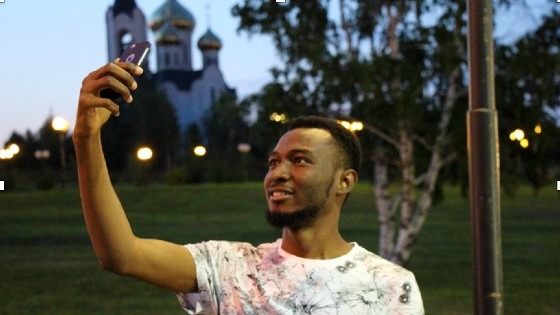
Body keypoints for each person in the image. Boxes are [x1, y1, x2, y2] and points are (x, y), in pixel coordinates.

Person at [74, 60, 425, 314]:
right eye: (273, 162)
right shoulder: (228, 267)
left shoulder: (390, 286)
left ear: (344, 181)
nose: (278, 173)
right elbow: (121, 255)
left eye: (299, 160)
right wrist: (86, 138)